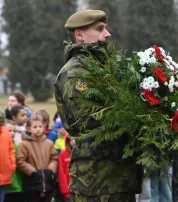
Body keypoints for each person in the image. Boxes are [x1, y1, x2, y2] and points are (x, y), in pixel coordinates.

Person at [55, 9, 142, 201]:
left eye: (106, 28)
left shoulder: (103, 69)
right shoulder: (77, 73)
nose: (107, 34)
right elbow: (91, 121)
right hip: (97, 183)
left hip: (118, 178)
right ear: (80, 35)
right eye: (100, 29)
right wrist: (140, 115)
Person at [17, 115, 58, 202]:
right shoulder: (24, 144)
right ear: (29, 128)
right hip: (32, 182)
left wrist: (50, 170)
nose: (38, 129)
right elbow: (20, 160)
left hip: (47, 182)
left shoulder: (49, 143)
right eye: (35, 127)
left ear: (44, 127)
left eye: (40, 126)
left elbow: (54, 158)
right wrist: (32, 172)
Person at [4, 121, 24, 202]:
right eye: (9, 131)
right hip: (4, 187)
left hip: (17, 186)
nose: (12, 133)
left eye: (14, 131)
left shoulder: (18, 147)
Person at [0, 110, 16, 202]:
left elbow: (11, 149)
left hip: (4, 175)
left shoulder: (5, 132)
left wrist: (12, 165)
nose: (1, 125)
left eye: (2, 122)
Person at [58, 132, 76, 202]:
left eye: (75, 139)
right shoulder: (63, 154)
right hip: (69, 189)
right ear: (67, 141)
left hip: (81, 189)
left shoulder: (82, 152)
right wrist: (65, 190)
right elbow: (61, 173)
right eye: (71, 139)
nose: (74, 141)